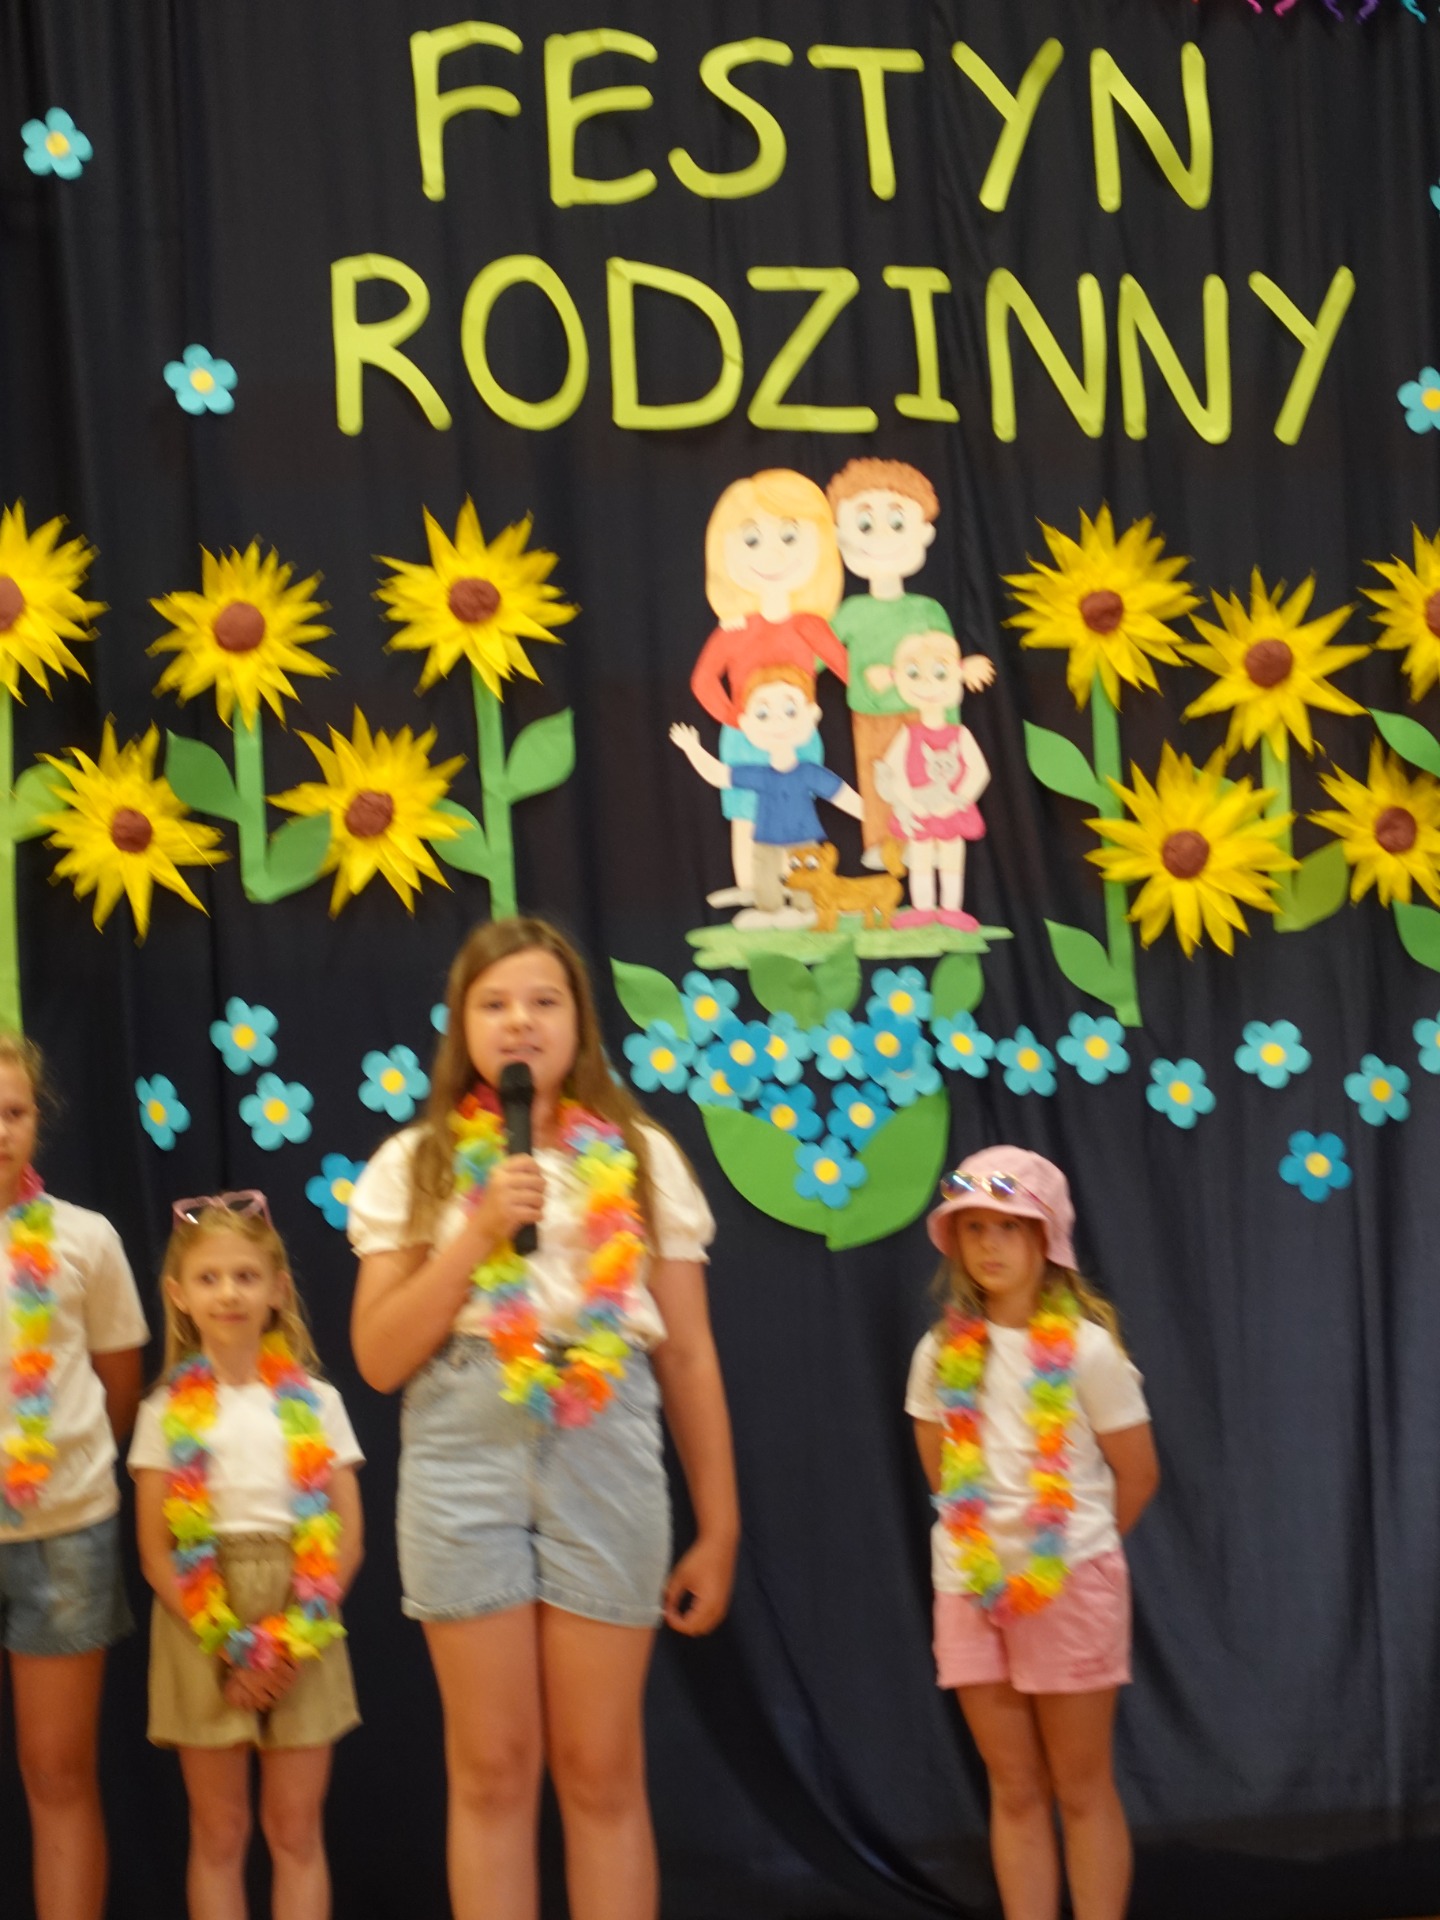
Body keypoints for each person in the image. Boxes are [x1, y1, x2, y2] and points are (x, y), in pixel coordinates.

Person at [348, 917, 739, 1920]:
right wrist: (478, 1229)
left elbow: (688, 1354)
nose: (519, 1021)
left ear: (579, 1023)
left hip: (607, 1440)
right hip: (460, 1447)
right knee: (490, 1767)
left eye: (543, 1001)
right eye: (494, 1003)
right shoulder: (416, 1162)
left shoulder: (644, 1157)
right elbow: (380, 1358)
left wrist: (721, 1526)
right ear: (461, 1025)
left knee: (599, 1766)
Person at [906, 1148, 1159, 1920]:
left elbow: (1138, 1473)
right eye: (974, 1227)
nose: (989, 1244)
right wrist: (988, 1555)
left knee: (1080, 1786)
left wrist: (1077, 1552)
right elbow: (942, 1474)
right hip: (970, 1584)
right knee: (1013, 1787)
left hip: (1070, 1581)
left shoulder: (1087, 1351)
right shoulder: (938, 1355)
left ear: (1046, 1239)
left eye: (1010, 1227)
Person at [130, 1192, 364, 1920]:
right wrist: (228, 1645)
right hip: (199, 1618)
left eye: (245, 1276)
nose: (228, 1293)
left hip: (304, 1609)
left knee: (295, 1828)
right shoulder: (162, 1411)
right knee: (220, 1829)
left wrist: (292, 1640)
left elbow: (348, 1536)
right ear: (179, 1294)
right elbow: (154, 1551)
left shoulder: (317, 1403)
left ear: (277, 1289)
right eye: (209, 1278)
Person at [0, 1032, 147, 1920]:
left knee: (57, 1769)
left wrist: (74, 1469)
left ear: (37, 1120)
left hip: (65, 1530)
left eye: (13, 1111)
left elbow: (120, 1380)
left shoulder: (85, 1239)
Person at [688, 469, 849, 904]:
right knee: (745, 811)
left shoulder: (809, 624)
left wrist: (884, 689)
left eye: (789, 536)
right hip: (743, 736)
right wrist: (734, 717)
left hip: (798, 731)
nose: (773, 553)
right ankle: (752, 890)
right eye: (752, 539)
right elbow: (703, 679)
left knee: (798, 809)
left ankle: (799, 890)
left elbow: (845, 668)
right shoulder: (734, 629)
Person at [826, 459, 960, 867]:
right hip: (869, 714)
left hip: (923, 713)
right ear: (840, 535)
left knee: (924, 776)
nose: (882, 535)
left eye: (897, 522)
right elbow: (818, 655)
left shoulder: (927, 610)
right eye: (866, 524)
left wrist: (950, 724)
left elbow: (949, 665)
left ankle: (929, 839)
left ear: (924, 532)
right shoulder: (850, 611)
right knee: (877, 775)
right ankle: (882, 844)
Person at [671, 664, 864, 926]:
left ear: (812, 714)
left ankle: (807, 914)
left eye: (790, 710)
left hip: (804, 844)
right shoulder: (759, 775)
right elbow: (719, 775)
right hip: (766, 843)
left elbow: (843, 796)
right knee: (767, 895)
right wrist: (691, 748)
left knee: (807, 895)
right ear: (746, 724)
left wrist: (877, 818)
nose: (778, 721)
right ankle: (771, 915)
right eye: (763, 713)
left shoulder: (810, 773)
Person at [868, 628, 996, 929]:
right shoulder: (908, 734)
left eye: (939, 673)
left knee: (952, 856)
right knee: (921, 857)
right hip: (918, 809)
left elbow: (979, 771)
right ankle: (923, 907)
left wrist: (958, 801)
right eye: (914, 674)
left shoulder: (960, 734)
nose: (927, 684)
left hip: (953, 808)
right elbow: (891, 770)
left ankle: (951, 908)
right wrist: (910, 803)